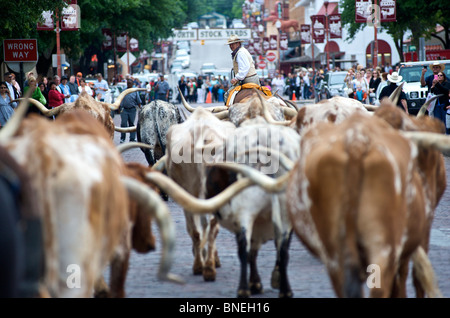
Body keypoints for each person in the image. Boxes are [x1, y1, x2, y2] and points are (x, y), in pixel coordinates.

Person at [225, 35, 260, 101]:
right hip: (254, 79)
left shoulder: (240, 53)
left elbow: (245, 67)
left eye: (232, 44)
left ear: (238, 43)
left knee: (228, 94)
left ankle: (229, 109)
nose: (231, 46)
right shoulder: (243, 51)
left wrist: (236, 78)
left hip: (247, 80)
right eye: (230, 45)